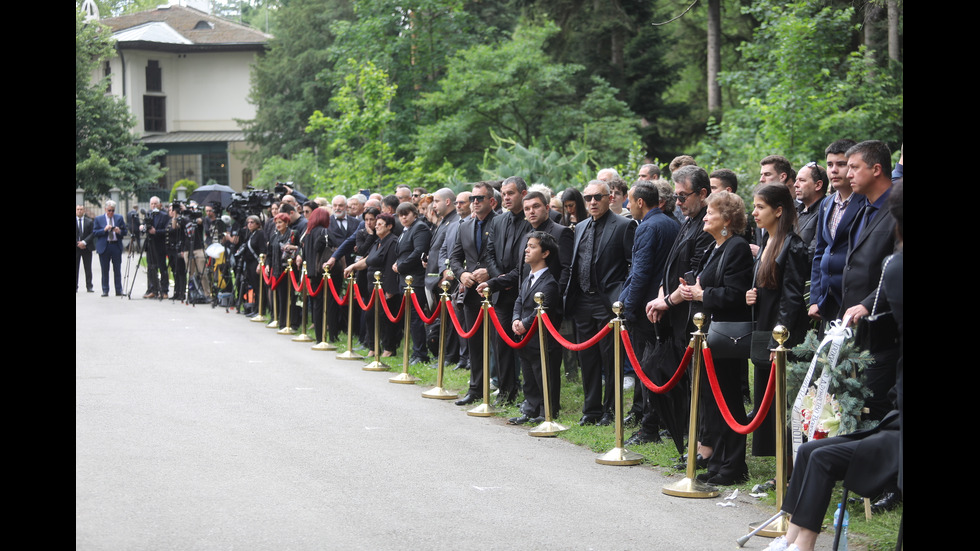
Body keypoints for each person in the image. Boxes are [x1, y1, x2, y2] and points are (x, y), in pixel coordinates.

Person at [673, 191, 754, 485]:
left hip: (726, 339)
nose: (705, 216)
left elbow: (736, 295)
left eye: (711, 212)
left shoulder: (737, 247)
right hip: (708, 338)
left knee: (728, 400)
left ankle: (733, 465)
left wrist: (702, 293)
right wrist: (692, 287)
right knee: (710, 402)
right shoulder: (715, 247)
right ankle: (718, 461)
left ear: (727, 220)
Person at [645, 165, 715, 463]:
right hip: (676, 317)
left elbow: (694, 274)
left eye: (684, 196)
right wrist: (662, 294)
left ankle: (702, 447)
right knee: (666, 376)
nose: (679, 202)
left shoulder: (706, 224)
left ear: (702, 193)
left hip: (695, 318)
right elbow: (671, 267)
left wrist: (666, 302)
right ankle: (689, 441)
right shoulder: (687, 220)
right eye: (676, 196)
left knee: (699, 385)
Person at [746, 184, 809, 458]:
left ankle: (790, 469)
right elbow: (771, 288)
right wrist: (753, 294)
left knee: (785, 403)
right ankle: (780, 468)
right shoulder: (768, 241)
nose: (754, 212)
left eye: (760, 207)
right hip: (765, 327)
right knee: (768, 402)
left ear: (779, 211)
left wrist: (777, 341)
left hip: (783, 337)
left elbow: (792, 299)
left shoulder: (792, 246)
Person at [565, 180, 633, 426]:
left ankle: (611, 410)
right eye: (588, 198)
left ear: (609, 197)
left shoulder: (625, 225)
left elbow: (632, 265)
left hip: (608, 303)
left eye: (597, 197)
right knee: (588, 358)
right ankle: (591, 409)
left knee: (611, 358)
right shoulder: (581, 226)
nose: (592, 202)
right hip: (582, 300)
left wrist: (621, 297)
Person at [839, 140, 899, 421]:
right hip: (856, 331)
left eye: (854, 167)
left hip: (884, 330)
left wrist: (866, 304)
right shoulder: (864, 209)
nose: (847, 173)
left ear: (876, 169)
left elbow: (896, 270)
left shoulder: (896, 211)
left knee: (874, 409)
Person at [619, 181, 680, 445]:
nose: (627, 206)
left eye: (629, 201)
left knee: (647, 371)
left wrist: (626, 306)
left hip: (646, 309)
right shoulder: (672, 223)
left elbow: (640, 272)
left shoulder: (647, 226)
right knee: (661, 369)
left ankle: (649, 427)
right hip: (665, 304)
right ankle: (665, 422)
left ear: (640, 202)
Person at [480, 176, 531, 405]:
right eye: (504, 193)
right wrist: (499, 277)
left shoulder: (532, 220)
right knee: (500, 344)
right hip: (501, 291)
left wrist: (507, 279)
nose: (506, 197)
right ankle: (506, 390)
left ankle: (530, 394)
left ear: (523, 193)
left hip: (524, 290)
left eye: (511, 193)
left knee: (525, 344)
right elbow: (489, 252)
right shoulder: (499, 221)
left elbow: (528, 260)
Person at [508, 231, 563, 424]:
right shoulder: (528, 278)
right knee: (529, 376)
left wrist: (524, 324)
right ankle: (530, 408)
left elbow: (543, 309)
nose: (527, 250)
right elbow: (519, 301)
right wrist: (516, 319)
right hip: (525, 338)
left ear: (545, 253)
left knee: (544, 375)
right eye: (527, 246)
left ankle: (546, 410)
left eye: (532, 247)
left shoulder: (549, 283)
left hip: (541, 339)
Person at [450, 182, 497, 405]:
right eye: (472, 199)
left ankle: (506, 389)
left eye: (479, 198)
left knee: (499, 344)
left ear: (491, 201)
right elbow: (455, 257)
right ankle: (475, 388)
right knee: (475, 344)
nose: (475, 202)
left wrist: (490, 272)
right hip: (471, 293)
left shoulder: (501, 222)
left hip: (496, 290)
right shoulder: (465, 226)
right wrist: (461, 275)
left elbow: (507, 256)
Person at [808, 139, 860, 324]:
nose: (834, 170)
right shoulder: (826, 203)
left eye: (841, 164)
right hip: (827, 300)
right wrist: (815, 298)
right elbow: (820, 251)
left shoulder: (865, 202)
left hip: (854, 299)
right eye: (830, 164)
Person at [344, 213, 400, 356]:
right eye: (377, 223)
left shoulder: (392, 242)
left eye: (380, 224)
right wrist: (353, 267)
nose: (376, 226)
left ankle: (389, 348)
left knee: (386, 318)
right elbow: (367, 260)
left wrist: (390, 290)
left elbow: (390, 267)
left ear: (389, 226)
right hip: (372, 288)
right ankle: (373, 347)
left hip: (385, 288)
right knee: (370, 316)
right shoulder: (378, 241)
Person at [392, 202, 432, 364]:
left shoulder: (420, 227)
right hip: (405, 279)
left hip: (415, 279)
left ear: (414, 214)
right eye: (400, 214)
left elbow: (418, 252)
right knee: (410, 318)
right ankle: (416, 351)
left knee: (415, 318)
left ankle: (420, 353)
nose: (403, 217)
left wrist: (400, 266)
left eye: (406, 214)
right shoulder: (405, 230)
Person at [296, 207, 331, 343]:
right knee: (324, 303)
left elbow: (304, 254)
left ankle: (318, 335)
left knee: (316, 304)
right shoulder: (323, 232)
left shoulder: (307, 233)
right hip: (322, 272)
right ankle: (324, 335)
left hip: (311, 272)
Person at [793, 162, 829, 264]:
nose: (796, 185)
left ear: (818, 185)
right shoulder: (795, 211)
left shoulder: (826, 211)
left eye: (802, 180)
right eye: (796, 180)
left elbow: (814, 252)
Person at [269, 213, 299, 331]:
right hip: (278, 270)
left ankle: (293, 323)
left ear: (286, 223)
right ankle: (282, 322)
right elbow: (269, 253)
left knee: (292, 296)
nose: (278, 225)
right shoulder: (274, 237)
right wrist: (267, 265)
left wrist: (294, 247)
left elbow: (301, 247)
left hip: (290, 269)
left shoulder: (293, 234)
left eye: (280, 222)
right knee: (282, 297)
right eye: (276, 223)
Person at [93, 200, 127, 296]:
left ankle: (119, 290)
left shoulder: (119, 218)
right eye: (109, 210)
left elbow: (125, 231)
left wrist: (119, 231)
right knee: (105, 269)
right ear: (105, 209)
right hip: (105, 246)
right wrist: (104, 230)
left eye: (112, 210)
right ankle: (105, 290)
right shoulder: (99, 219)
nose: (111, 212)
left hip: (115, 245)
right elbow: (94, 232)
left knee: (117, 269)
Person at [141, 196, 170, 299]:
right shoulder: (148, 214)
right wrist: (142, 227)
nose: (153, 206)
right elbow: (144, 227)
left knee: (162, 268)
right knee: (151, 267)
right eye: (152, 204)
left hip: (160, 245)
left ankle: (164, 290)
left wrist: (156, 232)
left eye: (155, 204)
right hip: (149, 244)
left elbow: (167, 230)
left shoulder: (164, 216)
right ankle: (153, 289)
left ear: (159, 205)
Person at [239, 215, 266, 315]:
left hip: (256, 262)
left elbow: (263, 249)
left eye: (252, 222)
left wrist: (260, 263)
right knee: (254, 287)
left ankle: (260, 310)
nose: (249, 224)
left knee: (259, 288)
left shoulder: (260, 234)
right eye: (248, 222)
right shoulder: (250, 234)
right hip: (249, 263)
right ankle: (255, 308)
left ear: (258, 224)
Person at [76, 205, 95, 292]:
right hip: (76, 248)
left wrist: (84, 242)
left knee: (88, 267)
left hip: (86, 247)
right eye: (78, 209)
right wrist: (78, 243)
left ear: (84, 211)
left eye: (81, 209)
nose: (79, 211)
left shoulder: (89, 221)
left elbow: (92, 233)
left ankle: (89, 286)